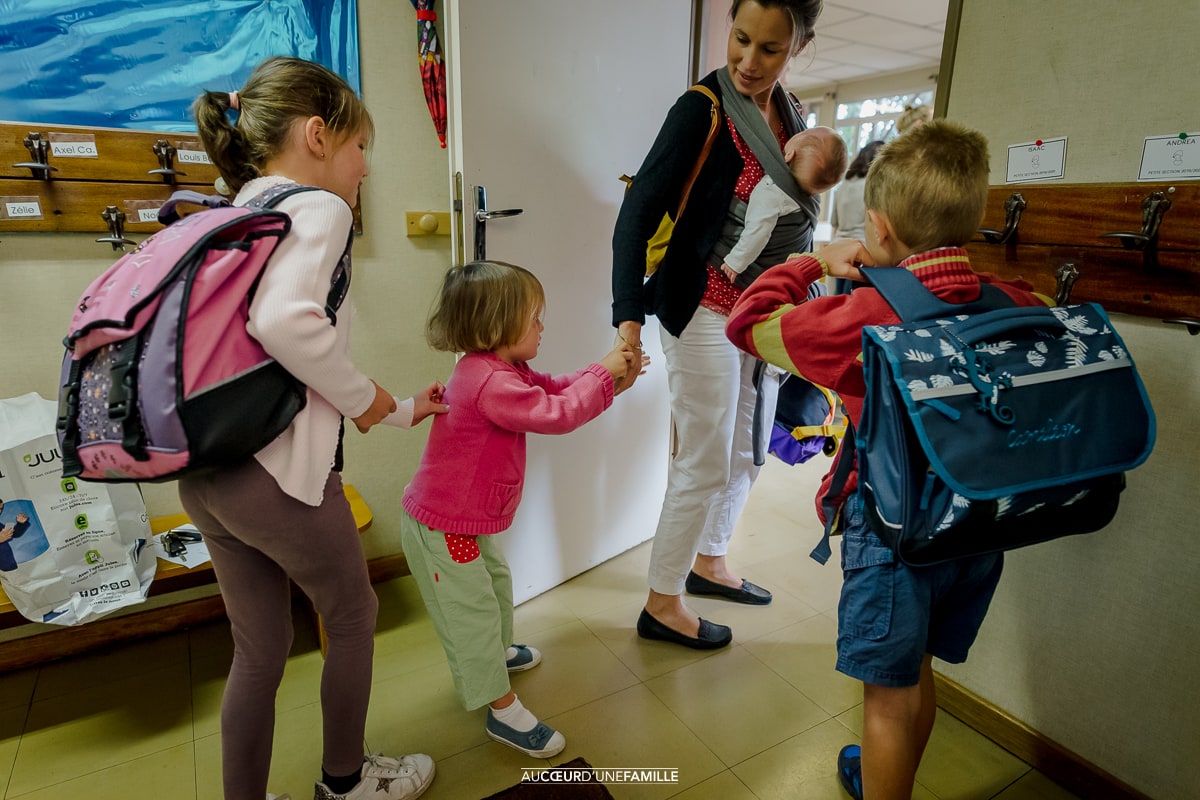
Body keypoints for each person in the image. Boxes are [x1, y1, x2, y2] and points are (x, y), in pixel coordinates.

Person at [726, 120, 1047, 800]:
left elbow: (747, 321)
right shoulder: (1014, 301)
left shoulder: (860, 320)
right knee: (918, 669)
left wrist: (815, 261)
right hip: (981, 523)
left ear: (877, 226)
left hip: (896, 534)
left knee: (886, 700)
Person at [182, 56, 445, 800]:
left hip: (208, 471)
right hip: (276, 479)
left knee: (259, 650)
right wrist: (368, 402)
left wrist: (394, 408)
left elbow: (276, 356)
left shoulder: (236, 210)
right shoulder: (319, 209)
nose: (365, 168)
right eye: (363, 148)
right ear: (318, 135)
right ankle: (346, 781)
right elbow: (286, 324)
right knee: (355, 614)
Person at [611, 0, 825, 650]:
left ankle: (710, 561)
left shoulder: (794, 118)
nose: (747, 61)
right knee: (702, 460)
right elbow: (637, 213)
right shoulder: (701, 109)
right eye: (740, 40)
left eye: (769, 49)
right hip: (699, 303)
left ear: (798, 49)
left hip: (757, 310)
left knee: (746, 448)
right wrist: (625, 321)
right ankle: (662, 602)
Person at [400, 260, 645, 758]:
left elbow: (553, 388)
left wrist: (610, 379)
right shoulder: (488, 381)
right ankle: (501, 708)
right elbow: (555, 414)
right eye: (534, 317)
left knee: (495, 584)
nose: (541, 326)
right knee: (472, 613)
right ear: (497, 325)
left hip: (462, 519)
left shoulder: (498, 369)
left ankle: (499, 655)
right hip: (444, 525)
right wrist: (604, 372)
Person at [719, 126, 847, 285]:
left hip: (758, 272)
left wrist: (736, 261)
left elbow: (758, 231)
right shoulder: (808, 198)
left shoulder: (771, 190)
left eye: (803, 133)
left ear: (790, 154)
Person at [828, 139, 885, 294]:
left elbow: (835, 223)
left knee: (835, 298)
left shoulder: (844, 184)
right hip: (863, 251)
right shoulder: (874, 186)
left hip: (838, 245)